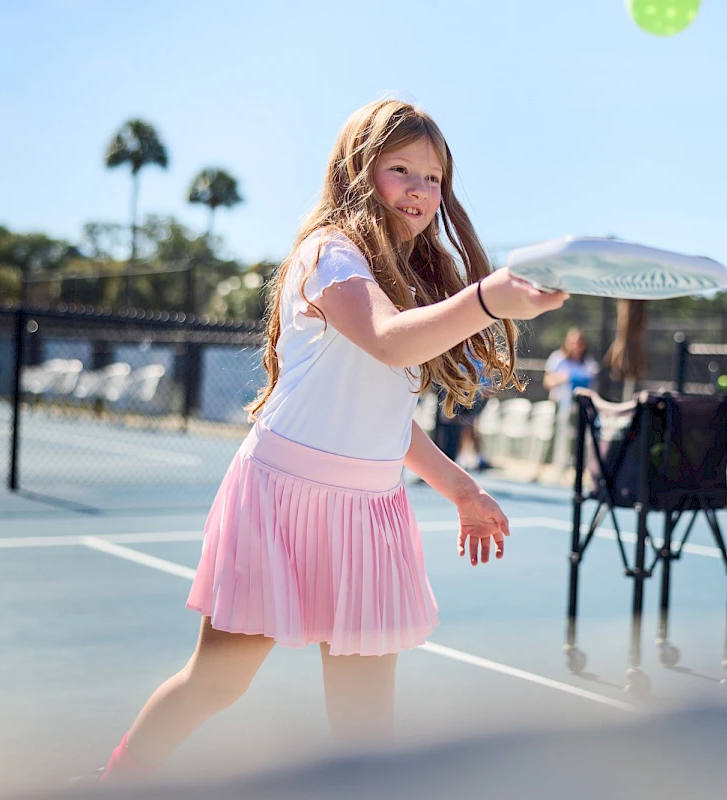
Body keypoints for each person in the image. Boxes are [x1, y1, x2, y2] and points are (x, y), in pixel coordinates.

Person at [91, 99, 567, 782]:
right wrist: (485, 301)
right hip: (278, 499)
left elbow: (382, 411)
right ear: (356, 170)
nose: (420, 189)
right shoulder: (328, 253)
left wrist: (460, 488)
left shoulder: (411, 277)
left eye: (433, 178)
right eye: (400, 169)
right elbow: (383, 341)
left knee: (366, 724)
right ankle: (119, 780)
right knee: (217, 683)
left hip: (370, 514)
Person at [543, 328, 598, 471]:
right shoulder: (558, 358)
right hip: (561, 405)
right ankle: (554, 467)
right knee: (558, 437)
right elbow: (547, 382)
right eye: (572, 342)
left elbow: (591, 383)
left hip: (581, 408)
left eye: (579, 342)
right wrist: (560, 379)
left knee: (580, 439)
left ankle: (577, 468)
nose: (576, 345)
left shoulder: (588, 361)